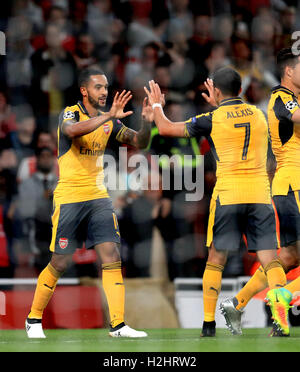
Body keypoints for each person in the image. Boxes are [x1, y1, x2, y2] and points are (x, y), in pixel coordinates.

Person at [144, 67, 288, 337]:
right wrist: (221, 102)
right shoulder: (259, 114)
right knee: (271, 262)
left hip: (228, 196)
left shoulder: (211, 118)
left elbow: (165, 127)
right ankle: (280, 323)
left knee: (216, 260)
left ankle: (208, 325)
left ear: (217, 91)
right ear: (242, 90)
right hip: (259, 195)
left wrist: (156, 105)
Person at [25, 66, 154, 339]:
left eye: (106, 87)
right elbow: (71, 131)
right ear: (84, 90)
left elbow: (138, 142)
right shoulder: (71, 112)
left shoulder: (110, 121)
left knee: (111, 255)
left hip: (98, 197)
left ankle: (118, 325)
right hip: (70, 196)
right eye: (99, 87)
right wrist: (108, 116)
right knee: (60, 261)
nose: (105, 92)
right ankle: (33, 319)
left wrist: (147, 121)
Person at [220, 48, 300, 337]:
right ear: (289, 71)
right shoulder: (281, 98)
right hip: (294, 184)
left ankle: (237, 303)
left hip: (286, 186)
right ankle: (284, 296)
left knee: (290, 257)